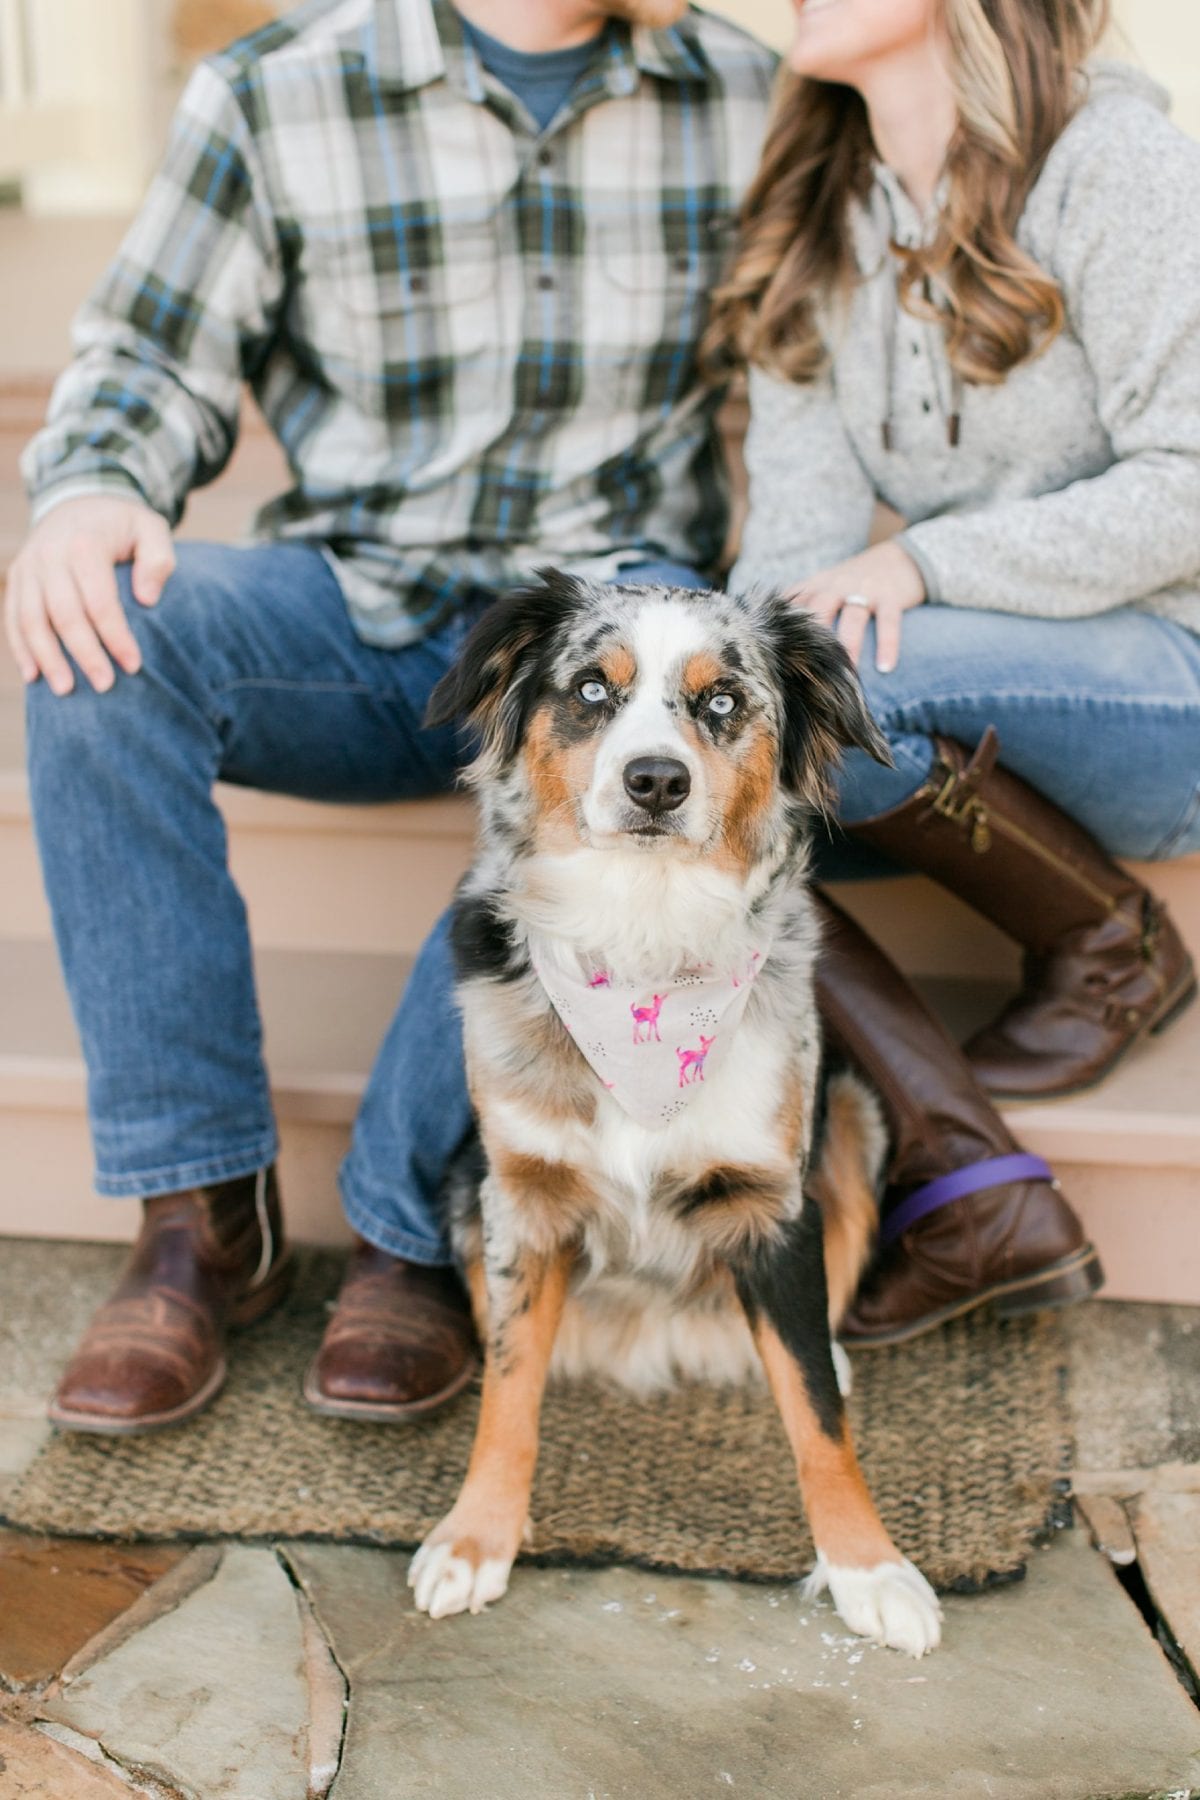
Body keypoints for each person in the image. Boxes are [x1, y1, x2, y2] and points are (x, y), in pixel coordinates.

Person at [8, 0, 777, 1432]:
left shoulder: (750, 93)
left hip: (613, 640)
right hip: (363, 612)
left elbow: (818, 374)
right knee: (102, 639)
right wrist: (95, 488)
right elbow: (147, 356)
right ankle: (199, 1220)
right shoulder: (272, 92)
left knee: (622, 716)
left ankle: (409, 1228)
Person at [708, 0, 1200, 1340]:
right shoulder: (823, 207)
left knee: (810, 686)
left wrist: (927, 562)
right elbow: (799, 547)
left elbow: (1192, 483)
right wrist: (713, 702)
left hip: (1170, 679)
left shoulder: (1115, 164)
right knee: (708, 725)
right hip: (976, 699)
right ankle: (976, 1183)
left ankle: (1109, 940)